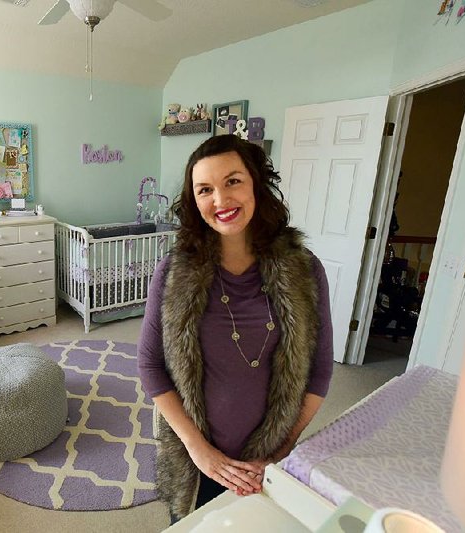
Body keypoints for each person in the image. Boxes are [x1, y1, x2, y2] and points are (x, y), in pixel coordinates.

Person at [137, 134, 334, 522]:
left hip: (270, 455)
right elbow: (150, 364)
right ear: (194, 201)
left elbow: (320, 372)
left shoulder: (304, 271)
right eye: (205, 189)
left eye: (233, 182)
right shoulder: (172, 274)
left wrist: (277, 454)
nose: (221, 200)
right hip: (198, 457)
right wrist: (199, 450)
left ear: (256, 185)